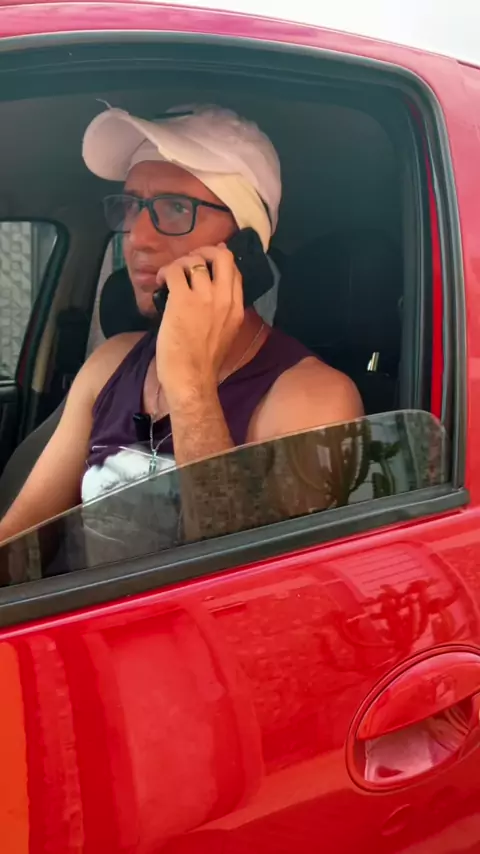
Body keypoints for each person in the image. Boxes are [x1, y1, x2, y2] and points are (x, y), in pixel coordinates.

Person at [0, 103, 363, 545]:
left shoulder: (313, 399)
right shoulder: (112, 362)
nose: (137, 237)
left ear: (245, 245)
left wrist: (191, 385)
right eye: (132, 206)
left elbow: (247, 581)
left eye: (175, 208)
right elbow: (20, 538)